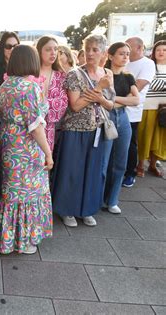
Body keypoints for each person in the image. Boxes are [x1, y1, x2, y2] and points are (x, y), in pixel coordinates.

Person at [51, 34, 115, 228]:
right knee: (72, 171)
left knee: (92, 172)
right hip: (74, 129)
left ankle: (86, 209)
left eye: (95, 49)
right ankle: (67, 210)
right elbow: (76, 105)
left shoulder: (107, 73)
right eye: (87, 49)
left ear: (104, 52)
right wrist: (99, 88)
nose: (90, 53)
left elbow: (111, 104)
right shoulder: (75, 74)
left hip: (96, 130)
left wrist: (101, 98)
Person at [0, 45, 53, 254]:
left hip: (10, 146)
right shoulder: (29, 88)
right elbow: (36, 127)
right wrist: (48, 153)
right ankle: (24, 240)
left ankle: (9, 239)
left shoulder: (5, 85)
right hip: (27, 149)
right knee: (28, 193)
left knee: (12, 192)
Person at [103, 42, 139, 214]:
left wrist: (113, 98)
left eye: (127, 53)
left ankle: (112, 200)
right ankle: (97, 198)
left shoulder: (128, 76)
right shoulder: (103, 74)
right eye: (121, 53)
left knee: (120, 163)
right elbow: (100, 97)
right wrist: (121, 99)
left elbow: (136, 100)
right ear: (110, 56)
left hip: (123, 118)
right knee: (103, 162)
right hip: (105, 117)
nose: (125, 57)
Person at [123, 37, 156, 187]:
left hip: (132, 111)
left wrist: (116, 100)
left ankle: (131, 173)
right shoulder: (125, 61)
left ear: (139, 48)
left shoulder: (148, 64)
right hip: (116, 108)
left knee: (130, 144)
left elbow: (139, 85)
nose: (126, 51)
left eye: (129, 47)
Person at [137, 40, 166, 178]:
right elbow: (152, 83)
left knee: (159, 138)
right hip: (148, 106)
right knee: (145, 135)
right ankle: (140, 165)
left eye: (164, 50)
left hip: (164, 109)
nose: (161, 52)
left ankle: (153, 165)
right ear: (153, 52)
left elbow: (157, 83)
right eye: (158, 50)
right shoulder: (150, 66)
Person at [36, 36, 68, 152]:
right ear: (39, 51)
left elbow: (63, 103)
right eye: (48, 49)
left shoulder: (60, 76)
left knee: (46, 164)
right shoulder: (30, 73)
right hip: (29, 130)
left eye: (55, 49)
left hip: (49, 130)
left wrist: (40, 105)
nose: (53, 53)